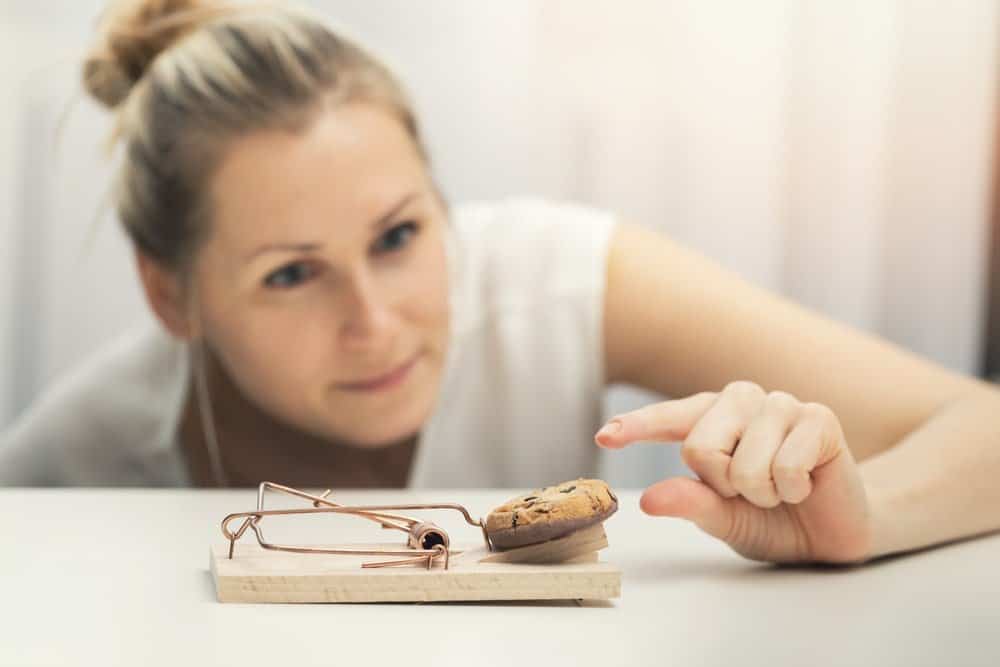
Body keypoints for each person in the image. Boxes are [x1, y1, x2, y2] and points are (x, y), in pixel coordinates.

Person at [3, 0, 999, 566]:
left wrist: (864, 519)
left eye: (398, 234)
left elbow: (982, 425)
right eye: (292, 272)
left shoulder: (554, 278)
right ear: (170, 296)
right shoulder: (78, 451)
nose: (375, 321)